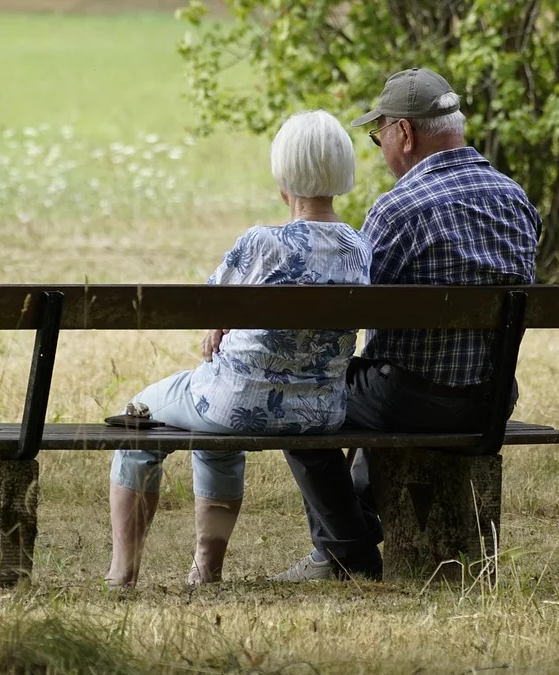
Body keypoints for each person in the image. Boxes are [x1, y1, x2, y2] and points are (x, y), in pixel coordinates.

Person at [271, 68, 541, 582]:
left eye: (379, 138)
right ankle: (352, 532)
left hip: (410, 401)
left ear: (406, 134)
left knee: (298, 393)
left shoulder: (399, 209)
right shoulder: (516, 200)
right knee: (382, 376)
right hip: (490, 401)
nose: (381, 149)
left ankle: (346, 551)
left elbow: (349, 312)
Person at [105, 110, 372, 588]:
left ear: (283, 176)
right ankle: (206, 570)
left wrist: (218, 323)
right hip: (319, 412)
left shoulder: (262, 243)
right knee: (213, 431)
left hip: (235, 403)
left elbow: (206, 304)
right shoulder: (359, 247)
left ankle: (122, 573)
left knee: (137, 417)